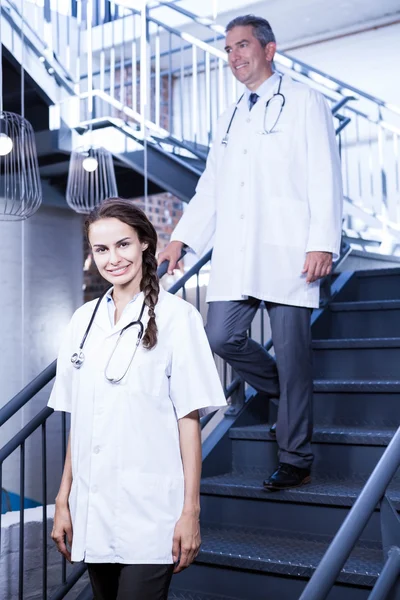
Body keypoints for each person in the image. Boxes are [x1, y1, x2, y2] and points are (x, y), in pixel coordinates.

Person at [158, 15, 343, 490]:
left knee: (296, 354)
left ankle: (296, 458)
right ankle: (285, 392)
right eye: (228, 50)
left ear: (269, 49)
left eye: (242, 46)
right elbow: (212, 186)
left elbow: (325, 171)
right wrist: (182, 236)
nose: (234, 57)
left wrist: (322, 240)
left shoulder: (304, 100)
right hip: (240, 251)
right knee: (221, 336)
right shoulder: (232, 115)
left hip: (291, 248)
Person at [49, 198, 227, 600]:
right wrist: (63, 499)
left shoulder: (179, 318)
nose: (113, 259)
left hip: (152, 513)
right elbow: (81, 422)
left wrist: (191, 511)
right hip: (92, 507)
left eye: (123, 244)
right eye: (101, 249)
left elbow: (189, 419)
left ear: (145, 243)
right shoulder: (82, 321)